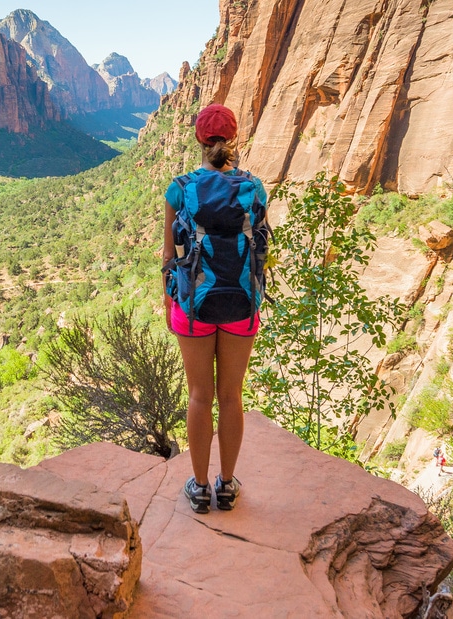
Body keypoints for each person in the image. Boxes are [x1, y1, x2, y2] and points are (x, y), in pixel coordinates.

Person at [162, 103, 268, 514]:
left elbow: (169, 254)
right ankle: (227, 486)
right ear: (234, 139)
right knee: (232, 395)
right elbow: (261, 247)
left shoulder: (180, 187)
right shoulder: (254, 188)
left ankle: (200, 487)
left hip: (192, 306)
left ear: (199, 140)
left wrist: (167, 299)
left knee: (199, 396)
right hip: (241, 303)